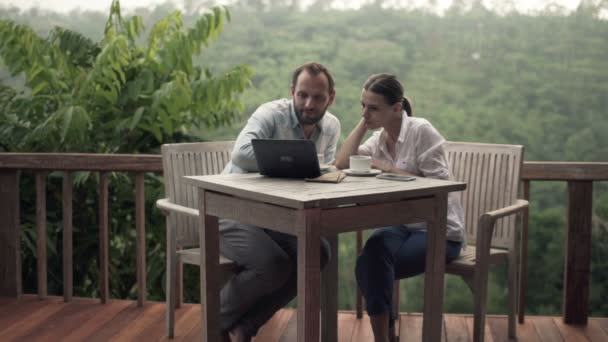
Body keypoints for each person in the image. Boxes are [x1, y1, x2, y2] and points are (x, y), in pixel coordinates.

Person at [334, 73, 465, 342]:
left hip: (439, 230)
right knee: (372, 254)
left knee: (371, 267)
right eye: (363, 106)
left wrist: (386, 167)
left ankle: (385, 337)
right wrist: (364, 123)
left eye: (373, 108)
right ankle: (386, 336)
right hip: (402, 226)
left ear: (397, 108)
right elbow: (342, 162)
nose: (366, 112)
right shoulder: (380, 139)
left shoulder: (421, 131)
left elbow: (438, 186)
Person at [219, 62, 341, 342]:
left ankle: (244, 327)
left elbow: (323, 169)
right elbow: (241, 154)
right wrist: (295, 164)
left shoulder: (331, 126)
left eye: (318, 97)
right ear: (292, 92)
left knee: (317, 252)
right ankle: (215, 321)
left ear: (331, 98)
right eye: (302, 95)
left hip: (276, 215)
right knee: (273, 263)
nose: (308, 104)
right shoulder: (270, 114)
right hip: (232, 207)